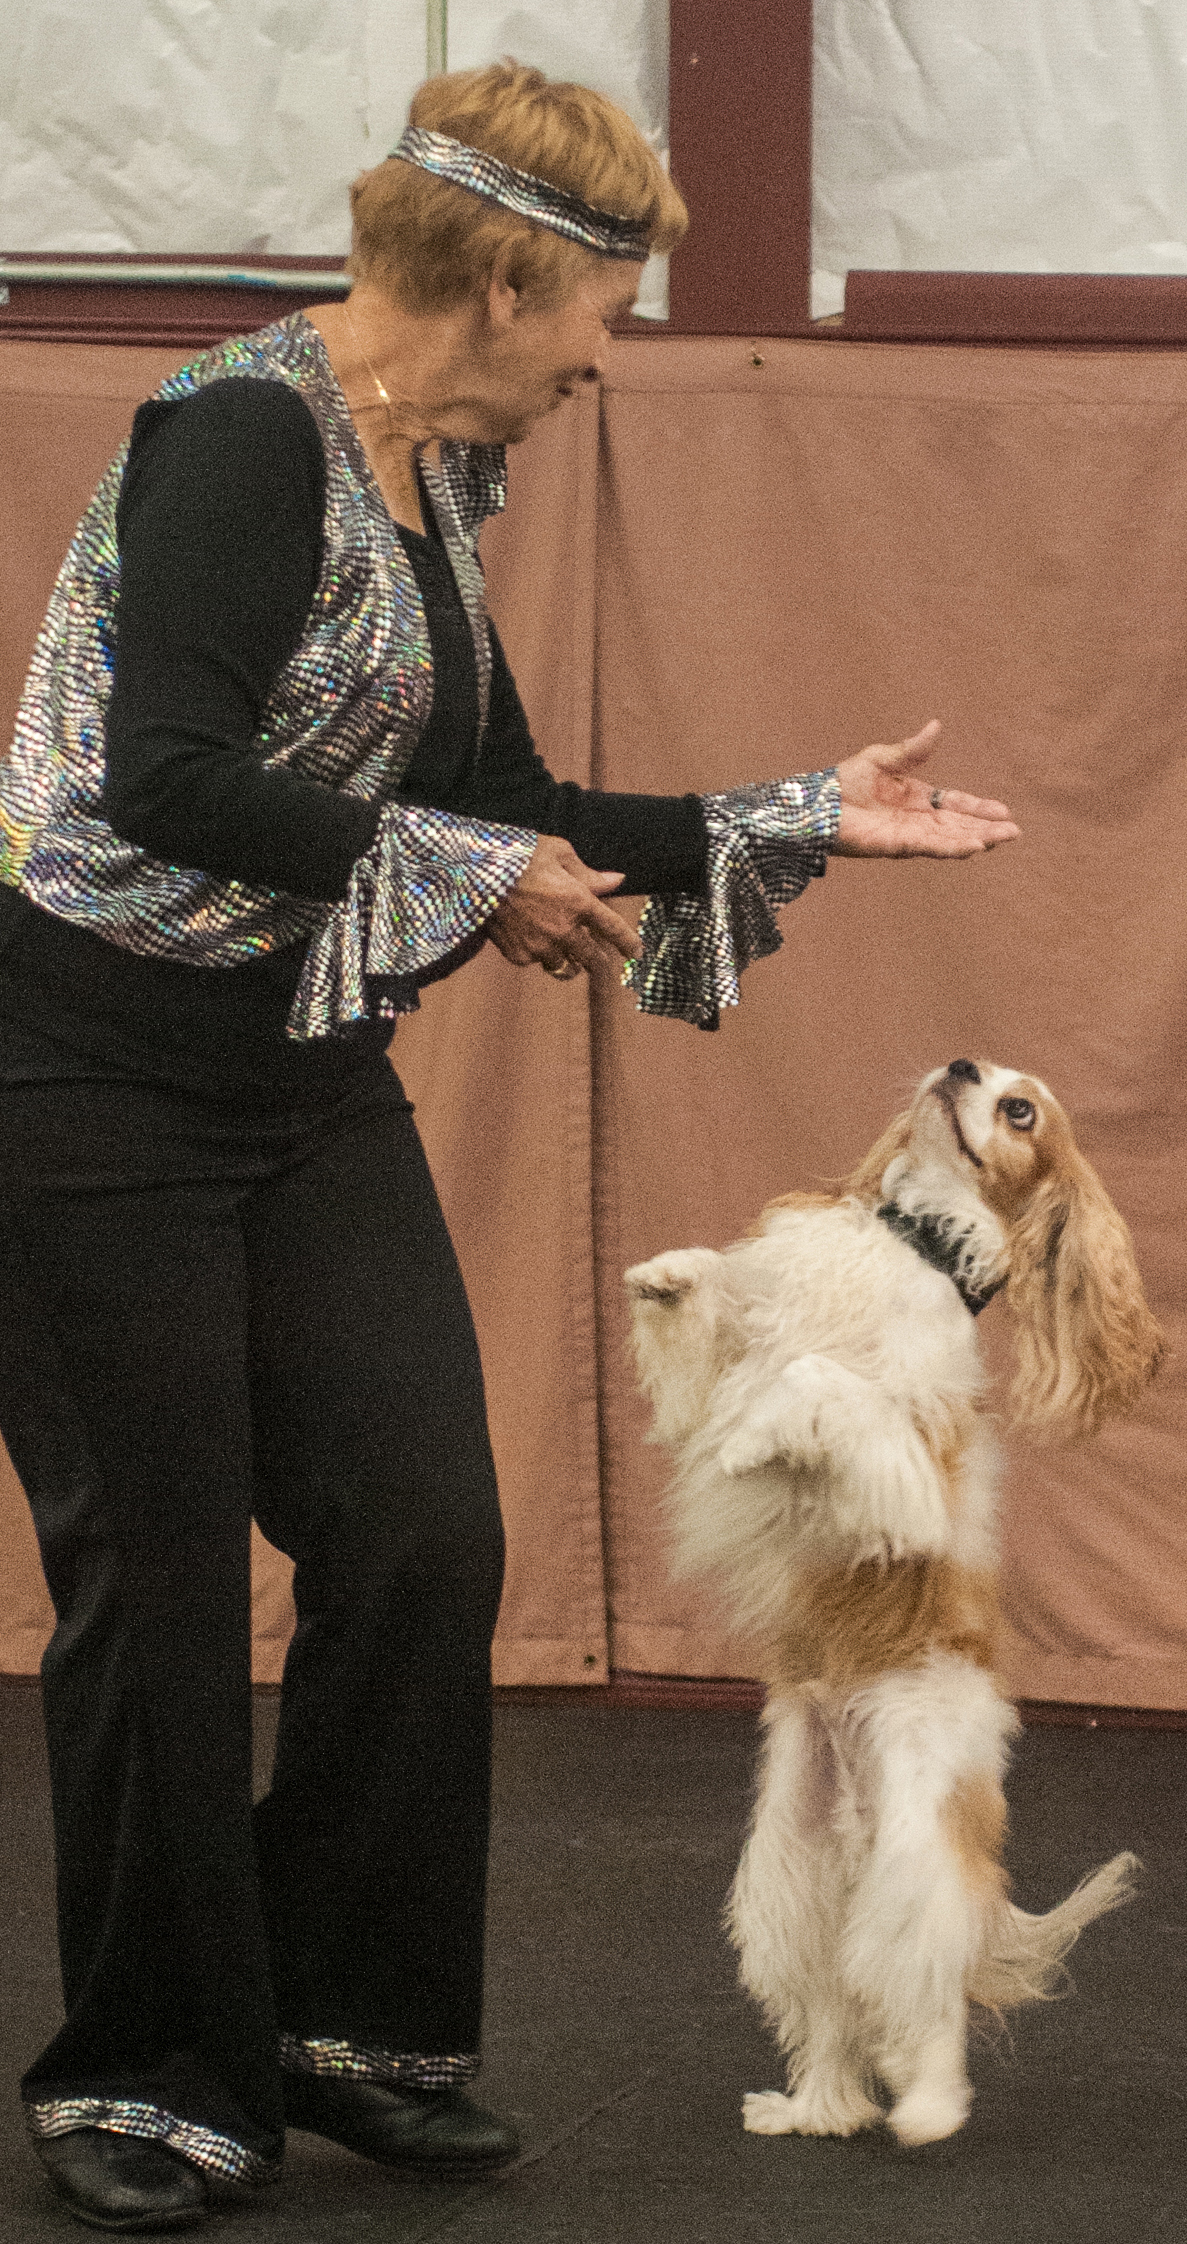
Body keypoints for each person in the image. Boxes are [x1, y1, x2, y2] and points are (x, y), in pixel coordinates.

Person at [0, 60, 1019, 2235]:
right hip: (77, 1078)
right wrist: (465, 878)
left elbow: (511, 800)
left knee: (421, 1534)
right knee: (158, 1589)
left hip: (292, 1070)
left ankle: (345, 2024)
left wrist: (793, 816)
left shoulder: (438, 478)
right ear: (506, 274)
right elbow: (168, 777)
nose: (601, 355)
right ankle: (156, 2076)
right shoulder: (242, 440)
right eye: (598, 311)